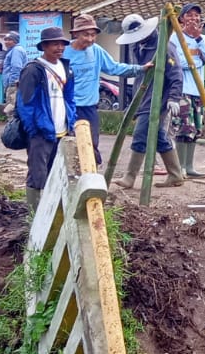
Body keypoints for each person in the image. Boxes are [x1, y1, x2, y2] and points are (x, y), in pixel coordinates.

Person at [111, 14, 185, 189]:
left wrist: (174, 98)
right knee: (159, 136)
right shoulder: (137, 46)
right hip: (143, 96)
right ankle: (175, 174)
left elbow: (176, 75)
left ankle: (130, 177)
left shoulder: (165, 47)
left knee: (140, 134)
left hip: (159, 98)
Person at [67, 13, 150, 166]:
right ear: (75, 34)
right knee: (70, 144)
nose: (90, 39)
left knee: (91, 144)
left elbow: (114, 68)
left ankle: (91, 179)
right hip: (68, 107)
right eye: (86, 35)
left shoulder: (96, 51)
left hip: (89, 107)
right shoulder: (64, 52)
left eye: (93, 35)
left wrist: (140, 69)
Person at [16, 26, 76, 214]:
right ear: (44, 46)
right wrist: (34, 130)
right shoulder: (33, 70)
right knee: (37, 173)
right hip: (41, 132)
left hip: (62, 130)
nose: (59, 48)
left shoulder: (67, 68)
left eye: (62, 44)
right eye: (54, 44)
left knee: (57, 172)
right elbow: (25, 103)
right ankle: (34, 215)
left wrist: (71, 121)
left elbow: (70, 98)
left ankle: (52, 212)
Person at [168, 3, 205, 179]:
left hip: (198, 90)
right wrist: (198, 62)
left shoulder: (203, 39)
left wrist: (198, 40)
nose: (193, 19)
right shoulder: (175, 38)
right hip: (183, 89)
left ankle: (189, 166)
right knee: (183, 128)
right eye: (189, 15)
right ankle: (179, 167)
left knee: (196, 129)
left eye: (196, 15)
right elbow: (179, 62)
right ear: (181, 19)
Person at [1, 31, 28, 116]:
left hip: (13, 84)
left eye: (10, 40)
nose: (7, 42)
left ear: (15, 41)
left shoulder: (16, 50)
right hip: (11, 83)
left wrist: (13, 83)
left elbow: (16, 67)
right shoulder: (13, 50)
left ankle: (12, 128)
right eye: (5, 40)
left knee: (11, 108)